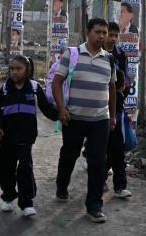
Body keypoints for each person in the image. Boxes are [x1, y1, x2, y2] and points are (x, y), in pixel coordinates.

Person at [53, 18, 116, 223]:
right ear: (87, 32)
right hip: (74, 117)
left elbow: (112, 88)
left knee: (98, 162)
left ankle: (94, 206)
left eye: (105, 32)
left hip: (100, 120)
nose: (102, 36)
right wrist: (61, 109)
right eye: (98, 32)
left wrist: (112, 116)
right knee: (69, 154)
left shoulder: (110, 59)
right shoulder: (71, 54)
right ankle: (62, 185)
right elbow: (57, 82)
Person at [0, 55, 56, 216]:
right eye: (12, 69)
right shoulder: (5, 89)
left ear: (27, 70)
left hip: (26, 137)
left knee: (25, 168)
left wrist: (60, 115)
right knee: (7, 168)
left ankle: (26, 203)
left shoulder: (34, 88)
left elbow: (46, 107)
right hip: (7, 138)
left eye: (18, 69)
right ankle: (8, 197)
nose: (14, 72)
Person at [103, 22, 132, 199]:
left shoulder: (121, 55)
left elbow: (126, 78)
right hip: (99, 106)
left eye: (116, 35)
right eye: (110, 35)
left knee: (117, 147)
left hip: (117, 107)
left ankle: (120, 186)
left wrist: (122, 91)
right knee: (102, 147)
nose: (113, 38)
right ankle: (100, 180)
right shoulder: (97, 54)